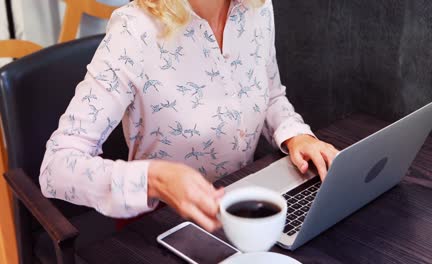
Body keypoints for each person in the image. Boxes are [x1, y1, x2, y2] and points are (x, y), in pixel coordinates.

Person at [39, 0, 339, 232]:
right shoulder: (134, 31)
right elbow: (56, 166)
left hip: (237, 206)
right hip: (160, 225)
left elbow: (270, 93)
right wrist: (155, 180)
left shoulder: (256, 9)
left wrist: (296, 134)